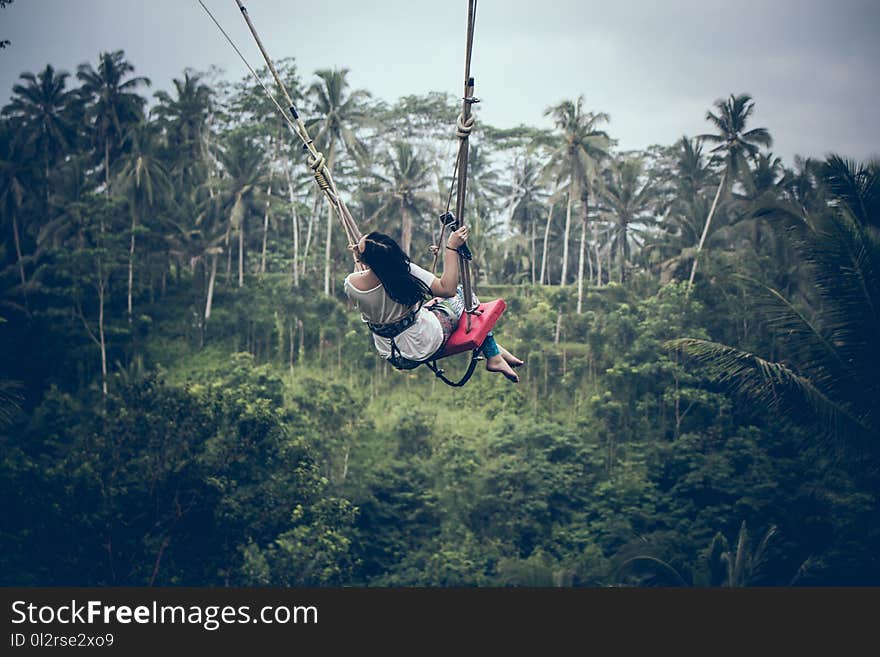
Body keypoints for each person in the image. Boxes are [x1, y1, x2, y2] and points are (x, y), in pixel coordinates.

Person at [343, 226, 523, 383]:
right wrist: (451, 248)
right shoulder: (405, 271)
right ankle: (493, 355)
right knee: (463, 294)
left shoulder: (351, 284)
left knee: (433, 307)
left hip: (393, 355)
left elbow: (368, 278)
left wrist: (361, 257)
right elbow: (447, 289)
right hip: (423, 345)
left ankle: (494, 350)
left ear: (363, 260)